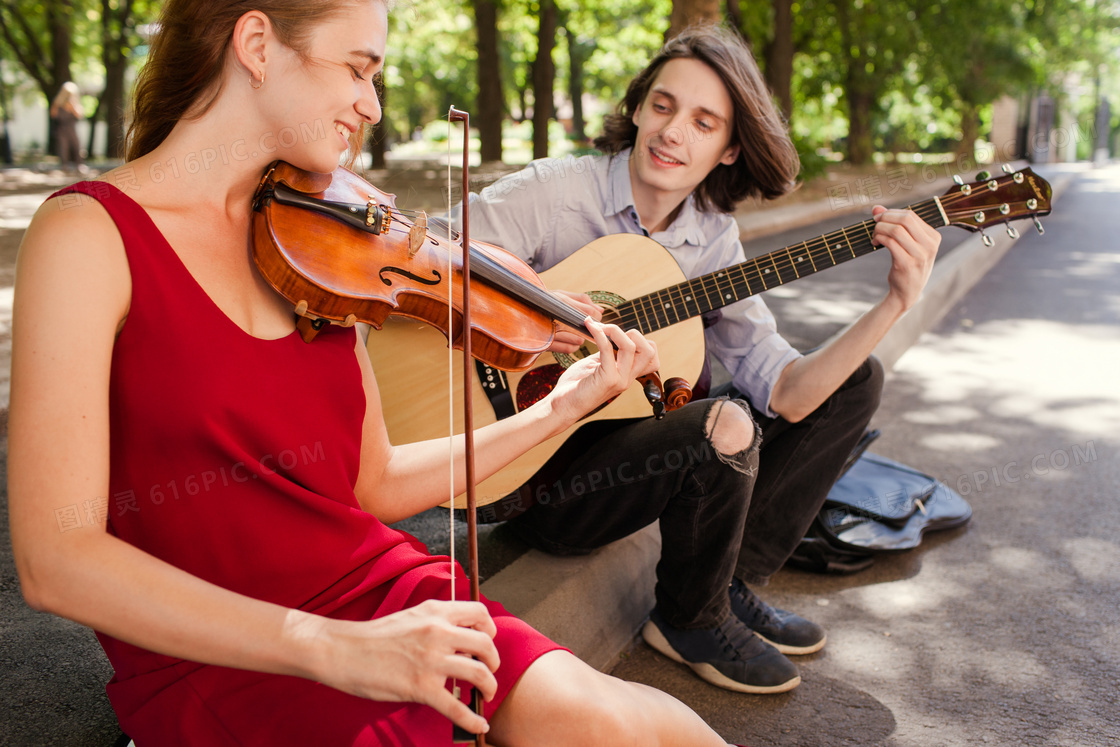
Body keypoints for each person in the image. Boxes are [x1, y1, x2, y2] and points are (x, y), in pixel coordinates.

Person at [7, 2, 739, 745]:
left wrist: (561, 409)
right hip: (212, 654)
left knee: (618, 721)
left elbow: (373, 482)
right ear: (257, 44)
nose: (373, 103)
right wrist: (332, 648)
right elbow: (56, 560)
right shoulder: (88, 235)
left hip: (378, 593)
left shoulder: (325, 240)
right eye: (357, 69)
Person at [453, 26, 941, 695]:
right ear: (638, 108)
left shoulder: (711, 242)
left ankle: (725, 582)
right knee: (724, 421)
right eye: (662, 105)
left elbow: (792, 394)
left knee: (855, 380)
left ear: (730, 147)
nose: (672, 131)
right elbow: (440, 254)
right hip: (524, 474)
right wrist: (538, 306)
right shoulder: (560, 192)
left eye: (703, 121)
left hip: (614, 469)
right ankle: (689, 617)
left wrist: (893, 305)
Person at [49, 81, 84, 172]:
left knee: (76, 146)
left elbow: (80, 115)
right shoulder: (57, 103)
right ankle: (64, 165)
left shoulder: (75, 104)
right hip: (61, 128)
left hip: (71, 128)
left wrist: (72, 107)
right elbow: (53, 114)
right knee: (63, 147)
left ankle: (78, 164)